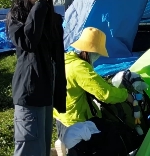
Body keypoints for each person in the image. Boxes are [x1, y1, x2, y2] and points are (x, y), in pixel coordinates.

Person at [7, 0, 66, 156]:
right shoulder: (16, 17)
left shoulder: (53, 20)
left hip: (47, 91)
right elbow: (29, 41)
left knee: (41, 148)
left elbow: (58, 57)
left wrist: (59, 92)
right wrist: (39, 8)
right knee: (28, 148)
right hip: (29, 91)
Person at [53, 28, 137, 156]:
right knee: (112, 139)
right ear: (89, 51)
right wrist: (126, 95)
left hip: (61, 120)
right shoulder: (80, 67)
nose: (97, 56)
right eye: (96, 53)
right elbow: (105, 94)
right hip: (77, 121)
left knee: (73, 151)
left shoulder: (65, 60)